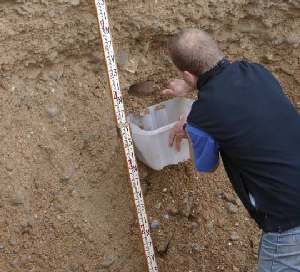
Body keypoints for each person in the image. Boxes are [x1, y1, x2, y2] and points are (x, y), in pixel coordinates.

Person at [163, 28, 300, 272]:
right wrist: (193, 88)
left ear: (186, 74)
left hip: (288, 227)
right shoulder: (257, 71)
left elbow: (206, 166)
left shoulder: (202, 116)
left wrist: (189, 128)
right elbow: (230, 88)